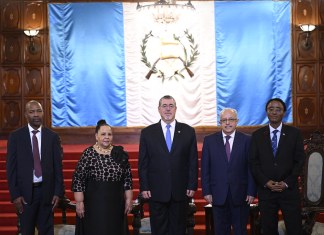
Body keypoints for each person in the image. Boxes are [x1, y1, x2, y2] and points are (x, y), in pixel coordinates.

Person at [138, 95, 198, 235]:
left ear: (176, 109)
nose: (168, 109)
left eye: (171, 105)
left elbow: (193, 161)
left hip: (180, 190)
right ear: (159, 109)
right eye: (164, 106)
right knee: (159, 230)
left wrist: (192, 184)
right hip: (156, 191)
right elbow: (143, 162)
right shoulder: (147, 133)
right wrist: (144, 186)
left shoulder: (188, 131)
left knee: (178, 230)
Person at [6, 100, 64, 234]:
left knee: (47, 231)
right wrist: (15, 195)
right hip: (25, 195)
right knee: (26, 231)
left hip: (47, 193)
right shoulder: (15, 137)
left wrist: (57, 192)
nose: (36, 115)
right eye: (32, 112)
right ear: (26, 115)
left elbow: (58, 168)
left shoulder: (52, 137)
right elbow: (11, 169)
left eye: (39, 111)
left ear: (43, 113)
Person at [249, 98, 305, 235]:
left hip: (289, 192)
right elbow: (253, 163)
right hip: (266, 192)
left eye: (278, 109)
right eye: (271, 109)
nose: (274, 112)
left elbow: (300, 161)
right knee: (268, 230)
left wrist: (286, 183)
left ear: (284, 112)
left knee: (294, 229)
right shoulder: (257, 135)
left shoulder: (295, 134)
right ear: (266, 112)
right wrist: (266, 182)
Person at [72, 119, 133, 235]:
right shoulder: (88, 153)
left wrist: (129, 199)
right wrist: (79, 202)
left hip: (116, 204)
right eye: (103, 134)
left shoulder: (119, 153)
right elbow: (78, 179)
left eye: (109, 134)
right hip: (93, 205)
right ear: (96, 136)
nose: (107, 137)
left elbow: (128, 178)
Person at [201, 108, 256, 235]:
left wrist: (251, 191)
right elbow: (205, 168)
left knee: (240, 231)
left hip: (241, 195)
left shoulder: (247, 140)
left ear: (237, 121)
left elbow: (251, 168)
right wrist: (207, 191)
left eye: (231, 119)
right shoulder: (209, 141)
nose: (227, 123)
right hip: (217, 194)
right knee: (220, 231)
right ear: (220, 122)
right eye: (224, 120)